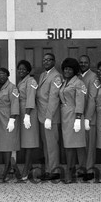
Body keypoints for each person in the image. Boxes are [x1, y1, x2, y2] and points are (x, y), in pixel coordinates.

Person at [59, 58, 87, 184]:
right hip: (65, 116)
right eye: (65, 69)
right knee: (69, 144)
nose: (67, 71)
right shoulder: (65, 82)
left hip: (75, 115)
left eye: (70, 69)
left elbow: (80, 101)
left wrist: (77, 118)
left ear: (74, 70)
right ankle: (77, 170)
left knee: (73, 145)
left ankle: (71, 173)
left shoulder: (79, 83)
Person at [36, 52, 62, 181]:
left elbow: (53, 98)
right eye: (44, 60)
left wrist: (49, 117)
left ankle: (54, 170)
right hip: (42, 115)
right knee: (46, 145)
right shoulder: (42, 75)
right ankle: (48, 169)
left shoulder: (56, 76)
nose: (46, 62)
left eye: (49, 60)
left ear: (54, 61)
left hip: (49, 117)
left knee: (52, 144)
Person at [0, 67, 21, 183]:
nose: (1, 76)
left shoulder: (12, 87)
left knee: (8, 145)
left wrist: (12, 119)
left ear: (8, 75)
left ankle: (7, 169)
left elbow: (15, 103)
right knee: (2, 145)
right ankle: (8, 168)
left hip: (8, 117)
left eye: (3, 74)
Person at [16, 60, 39, 182]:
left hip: (29, 113)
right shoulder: (22, 82)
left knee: (29, 142)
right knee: (25, 142)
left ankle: (25, 170)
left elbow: (30, 98)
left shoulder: (31, 81)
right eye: (19, 68)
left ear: (28, 71)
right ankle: (29, 167)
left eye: (23, 69)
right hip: (22, 112)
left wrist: (27, 115)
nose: (21, 70)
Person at [78, 54, 98, 181]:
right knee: (80, 144)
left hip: (89, 117)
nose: (83, 64)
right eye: (81, 62)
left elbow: (92, 98)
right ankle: (82, 167)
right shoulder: (78, 76)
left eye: (85, 62)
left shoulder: (94, 77)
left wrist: (88, 117)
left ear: (89, 64)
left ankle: (90, 169)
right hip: (79, 116)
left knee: (90, 145)